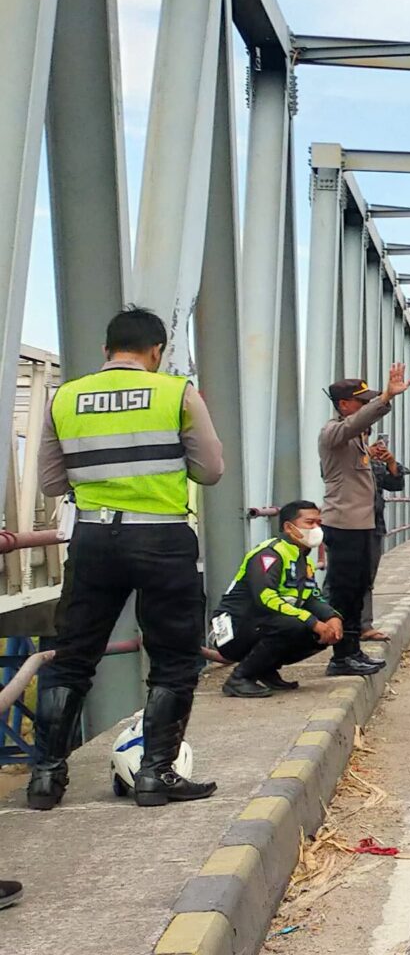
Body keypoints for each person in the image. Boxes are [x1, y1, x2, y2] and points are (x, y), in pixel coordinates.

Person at [26, 306, 224, 808]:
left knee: (71, 658)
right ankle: (156, 774)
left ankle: (46, 778)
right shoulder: (176, 393)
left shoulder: (65, 396)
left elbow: (51, 482)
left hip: (93, 540)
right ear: (156, 352)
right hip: (161, 540)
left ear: (105, 351)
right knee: (175, 660)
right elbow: (210, 471)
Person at [214, 502, 362, 698]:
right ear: (288, 527)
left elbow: (311, 597)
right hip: (235, 628)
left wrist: (332, 618)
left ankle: (264, 669)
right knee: (297, 625)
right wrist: (312, 622)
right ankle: (239, 678)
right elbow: (266, 598)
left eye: (319, 522)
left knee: (321, 632)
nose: (316, 528)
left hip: (261, 623)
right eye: (310, 522)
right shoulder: (270, 554)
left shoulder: (301, 559)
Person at [320, 366, 409, 676]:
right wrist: (385, 397)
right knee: (343, 592)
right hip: (343, 525)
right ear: (344, 405)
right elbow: (356, 423)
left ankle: (353, 649)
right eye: (361, 401)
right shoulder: (332, 432)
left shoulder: (357, 443)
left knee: (357, 590)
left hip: (361, 526)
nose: (365, 407)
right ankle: (341, 657)